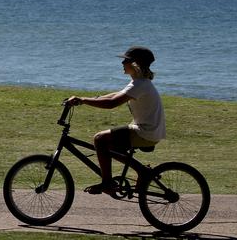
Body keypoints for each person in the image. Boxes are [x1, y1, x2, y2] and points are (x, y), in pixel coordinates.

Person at [66, 46, 165, 196]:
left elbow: (111, 103)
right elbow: (114, 95)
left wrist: (83, 100)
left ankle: (107, 183)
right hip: (148, 131)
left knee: (100, 139)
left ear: (135, 64)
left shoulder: (140, 84)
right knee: (109, 145)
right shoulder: (139, 83)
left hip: (145, 132)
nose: (122, 63)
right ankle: (142, 171)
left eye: (126, 60)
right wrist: (88, 99)